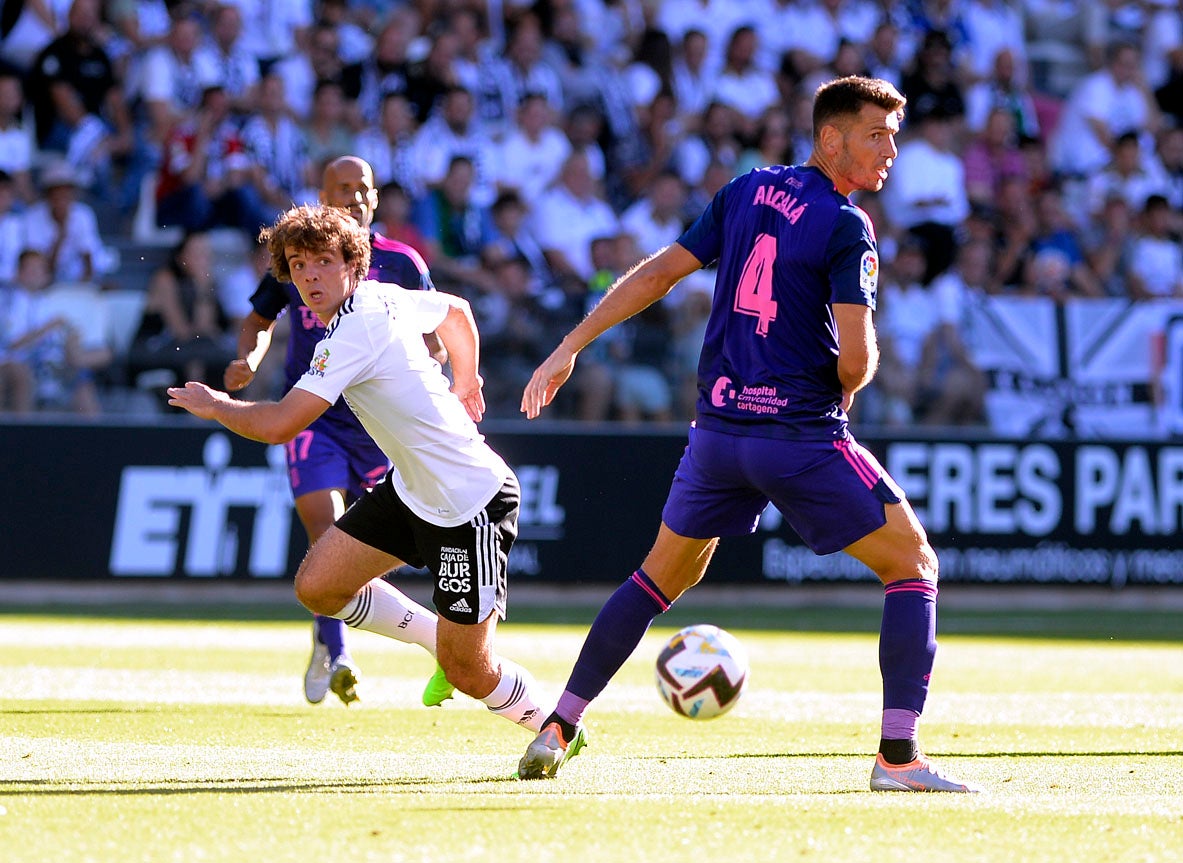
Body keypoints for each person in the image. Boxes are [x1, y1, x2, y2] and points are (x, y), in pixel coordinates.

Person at [515, 75, 981, 793]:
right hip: (795, 434)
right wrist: (847, 387)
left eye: (892, 134)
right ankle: (897, 757)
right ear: (831, 139)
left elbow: (658, 274)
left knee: (654, 577)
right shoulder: (846, 225)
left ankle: (559, 722)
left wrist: (570, 344)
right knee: (912, 565)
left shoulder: (744, 191)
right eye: (875, 134)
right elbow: (854, 360)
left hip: (717, 434)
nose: (889, 150)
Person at [169, 202, 553, 740]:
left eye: (323, 262)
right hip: (413, 493)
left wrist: (217, 406)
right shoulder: (383, 297)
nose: (309, 276)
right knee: (319, 587)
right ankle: (432, 639)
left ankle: (552, 723)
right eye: (298, 265)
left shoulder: (357, 328)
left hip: (472, 502)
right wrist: (467, 381)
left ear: (354, 264)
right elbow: (456, 313)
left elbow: (282, 424)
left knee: (470, 670)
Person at [222, 155, 450, 707]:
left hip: (379, 428)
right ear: (322, 196)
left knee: (367, 547)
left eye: (363, 188)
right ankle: (336, 646)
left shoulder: (401, 264)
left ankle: (431, 638)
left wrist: (445, 376)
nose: (354, 197)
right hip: (314, 417)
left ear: (375, 199)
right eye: (341, 188)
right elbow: (258, 319)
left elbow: (439, 332)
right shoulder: (299, 258)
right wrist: (250, 359)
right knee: (323, 525)